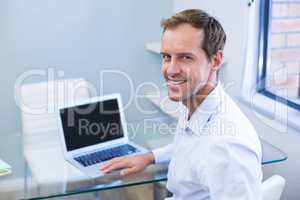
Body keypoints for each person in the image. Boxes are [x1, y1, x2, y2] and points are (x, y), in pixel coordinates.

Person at [101, 9, 262, 200]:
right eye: (167, 57)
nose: (171, 69)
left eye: (186, 57)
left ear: (216, 60)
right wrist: (149, 157)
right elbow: (191, 147)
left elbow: (209, 150)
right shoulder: (197, 105)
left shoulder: (228, 148)